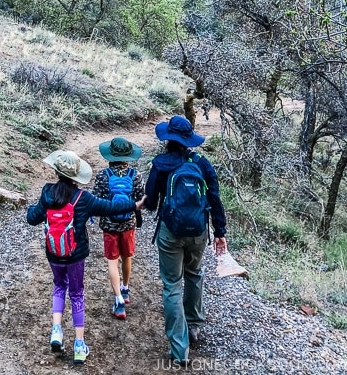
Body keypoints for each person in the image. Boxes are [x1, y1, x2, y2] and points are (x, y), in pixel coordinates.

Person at [27, 149, 146, 365]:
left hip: (53, 254)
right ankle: (79, 346)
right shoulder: (84, 198)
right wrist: (134, 205)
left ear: (57, 172)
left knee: (59, 286)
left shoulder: (47, 192)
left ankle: (56, 331)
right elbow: (109, 207)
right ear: (76, 176)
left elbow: (32, 218)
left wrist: (32, 209)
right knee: (77, 294)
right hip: (76, 255)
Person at [144, 115, 227, 366]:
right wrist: (220, 232)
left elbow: (150, 204)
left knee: (171, 284)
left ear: (168, 139)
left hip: (171, 232)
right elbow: (214, 199)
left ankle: (179, 350)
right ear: (189, 140)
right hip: (199, 232)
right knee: (194, 273)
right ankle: (193, 325)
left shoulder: (160, 163)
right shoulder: (202, 164)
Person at [92, 136, 145, 319]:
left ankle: (118, 300)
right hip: (129, 223)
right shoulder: (135, 175)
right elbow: (141, 199)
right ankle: (126, 288)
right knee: (127, 256)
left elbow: (96, 200)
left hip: (109, 224)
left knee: (112, 261)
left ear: (110, 155)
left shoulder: (102, 175)